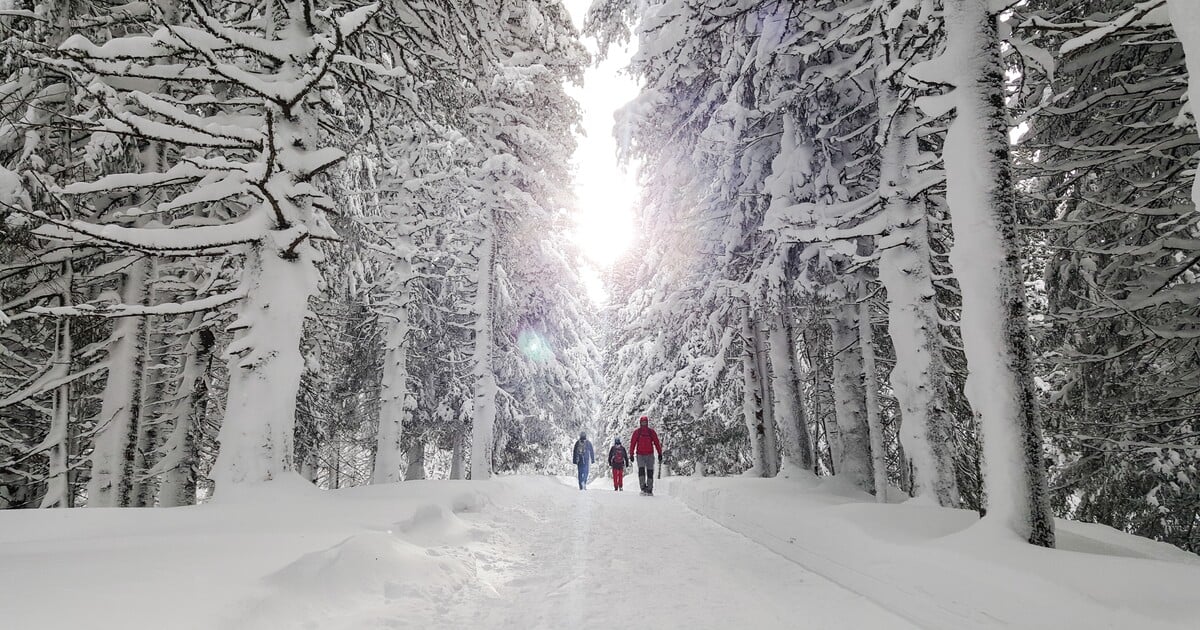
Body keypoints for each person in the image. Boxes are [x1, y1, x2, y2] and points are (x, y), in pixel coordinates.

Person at [628, 415, 663, 495]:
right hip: (640, 455)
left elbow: (657, 443)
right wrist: (631, 454)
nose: (644, 424)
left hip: (649, 455)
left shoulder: (651, 432)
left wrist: (660, 453)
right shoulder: (638, 432)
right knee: (642, 472)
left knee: (650, 472)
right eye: (642, 422)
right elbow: (632, 443)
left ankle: (649, 488)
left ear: (647, 423)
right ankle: (643, 488)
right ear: (640, 423)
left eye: (645, 422)